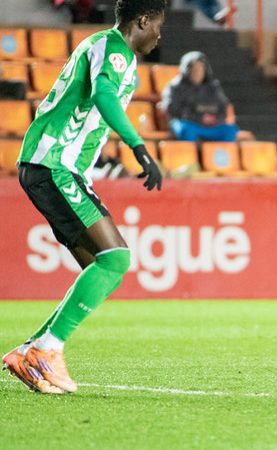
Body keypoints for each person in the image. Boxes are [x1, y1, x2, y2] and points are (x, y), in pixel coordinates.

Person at [2, 0, 165, 395]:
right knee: (116, 258)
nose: (160, 36)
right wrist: (139, 146)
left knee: (98, 265)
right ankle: (48, 348)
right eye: (158, 26)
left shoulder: (108, 49)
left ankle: (29, 352)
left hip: (56, 166)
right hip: (54, 163)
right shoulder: (113, 49)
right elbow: (105, 95)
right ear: (143, 20)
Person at [161, 51, 239, 142]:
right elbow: (174, 110)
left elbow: (222, 108)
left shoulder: (213, 87)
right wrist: (199, 118)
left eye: (200, 68)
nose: (197, 72)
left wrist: (214, 119)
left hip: (210, 125)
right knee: (186, 130)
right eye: (194, 69)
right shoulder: (175, 87)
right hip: (188, 124)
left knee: (230, 130)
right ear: (186, 69)